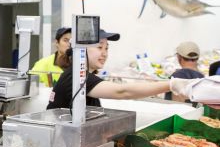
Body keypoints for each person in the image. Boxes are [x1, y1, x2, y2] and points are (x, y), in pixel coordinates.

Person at [47, 29, 192, 110]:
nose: (104, 53)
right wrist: (170, 84)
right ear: (81, 49)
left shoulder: (82, 76)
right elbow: (122, 91)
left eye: (106, 48)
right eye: (99, 47)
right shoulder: (75, 77)